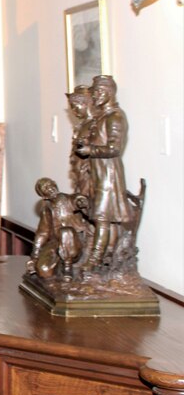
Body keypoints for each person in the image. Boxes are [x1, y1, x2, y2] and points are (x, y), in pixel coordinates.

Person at [74, 75, 135, 273]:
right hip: (97, 172)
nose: (95, 96)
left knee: (102, 217)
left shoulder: (115, 117)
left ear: (109, 92)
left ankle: (95, 259)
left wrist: (91, 150)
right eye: (93, 93)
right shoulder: (102, 117)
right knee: (98, 216)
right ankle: (101, 255)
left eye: (98, 92)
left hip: (108, 174)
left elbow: (114, 148)